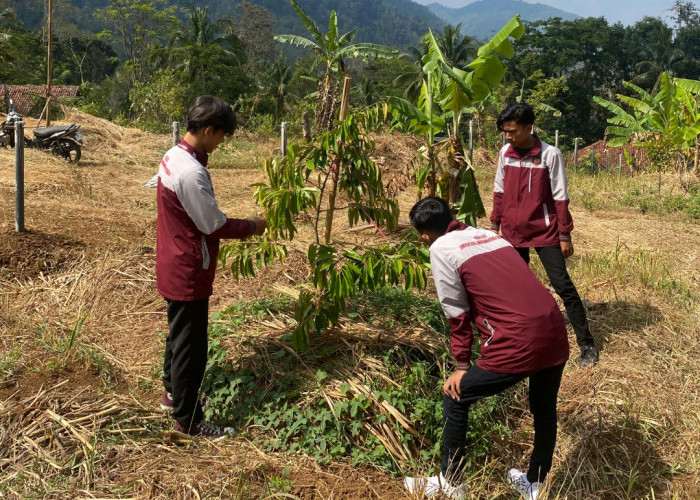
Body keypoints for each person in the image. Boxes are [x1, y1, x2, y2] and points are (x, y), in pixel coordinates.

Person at [403, 197, 569, 500]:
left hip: (519, 340)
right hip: (554, 330)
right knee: (544, 409)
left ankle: (451, 483)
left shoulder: (440, 249)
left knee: (456, 394)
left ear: (424, 235)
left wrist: (462, 366)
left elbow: (456, 312)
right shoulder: (489, 235)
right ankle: (535, 483)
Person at [156, 95, 266, 437]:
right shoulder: (191, 172)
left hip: (172, 260)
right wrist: (252, 226)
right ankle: (188, 420)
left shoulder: (174, 156)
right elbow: (213, 225)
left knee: (179, 333)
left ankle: (171, 392)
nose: (221, 143)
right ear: (207, 130)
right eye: (221, 136)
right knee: (192, 348)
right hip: (189, 267)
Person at [490, 103, 599, 367]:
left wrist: (564, 234)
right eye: (505, 132)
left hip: (545, 231)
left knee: (563, 286)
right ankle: (522, 337)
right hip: (512, 233)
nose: (508, 137)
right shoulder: (506, 153)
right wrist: (494, 225)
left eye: (513, 131)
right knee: (516, 287)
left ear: (529, 128)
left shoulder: (551, 155)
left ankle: (587, 344)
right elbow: (499, 190)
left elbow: (560, 196)